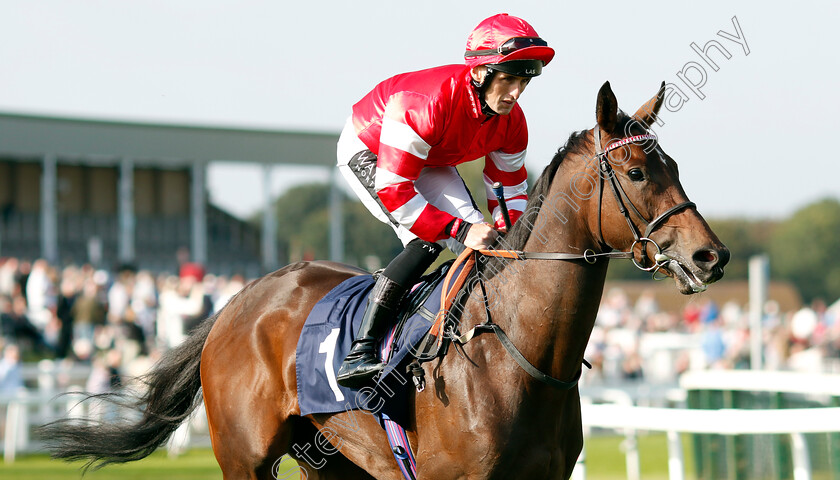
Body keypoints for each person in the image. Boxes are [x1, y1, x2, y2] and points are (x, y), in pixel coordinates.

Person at [335, 13, 554, 388]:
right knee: (428, 238)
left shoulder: (513, 122)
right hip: (373, 152)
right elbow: (396, 191)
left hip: (430, 159)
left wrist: (506, 232)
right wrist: (458, 228)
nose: (516, 93)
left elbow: (510, 188)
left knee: (488, 247)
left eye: (523, 82)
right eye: (509, 80)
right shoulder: (426, 102)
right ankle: (362, 348)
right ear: (481, 73)